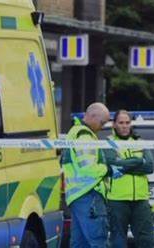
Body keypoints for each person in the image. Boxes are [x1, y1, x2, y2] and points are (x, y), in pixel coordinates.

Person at [61, 102, 123, 248]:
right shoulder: (85, 136)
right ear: (93, 117)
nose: (102, 126)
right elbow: (88, 168)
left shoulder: (75, 132)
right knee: (98, 242)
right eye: (102, 122)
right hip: (89, 195)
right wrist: (108, 170)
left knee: (80, 244)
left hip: (77, 198)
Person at [104, 110, 154, 248]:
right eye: (121, 123)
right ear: (114, 124)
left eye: (127, 123)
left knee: (147, 240)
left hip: (141, 199)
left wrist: (124, 164)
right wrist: (138, 161)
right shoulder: (108, 143)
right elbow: (112, 164)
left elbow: (149, 167)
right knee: (118, 240)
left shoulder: (139, 141)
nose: (124, 126)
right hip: (117, 200)